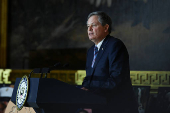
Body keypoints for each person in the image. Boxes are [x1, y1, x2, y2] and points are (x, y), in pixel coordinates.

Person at [81, 11, 139, 113]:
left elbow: (116, 79)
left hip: (116, 106)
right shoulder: (91, 51)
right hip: (97, 104)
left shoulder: (115, 45)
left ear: (106, 28)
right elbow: (89, 77)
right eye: (88, 26)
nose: (89, 29)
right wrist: (83, 89)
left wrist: (92, 93)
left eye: (93, 25)